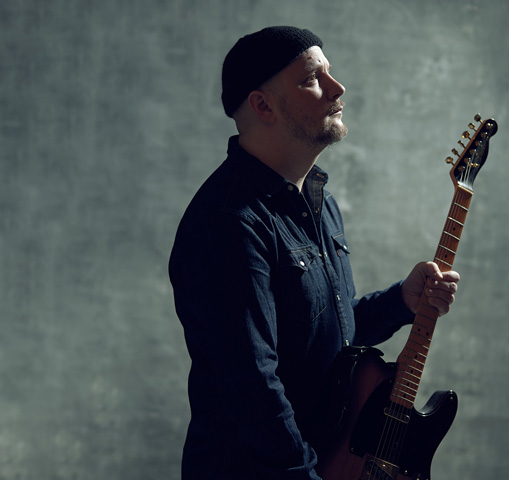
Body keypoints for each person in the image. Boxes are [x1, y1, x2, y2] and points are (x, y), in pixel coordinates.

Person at [169, 26, 460, 480]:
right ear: (263, 105)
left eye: (330, 72)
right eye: (312, 79)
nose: (337, 87)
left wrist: (401, 301)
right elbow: (253, 387)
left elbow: (320, 340)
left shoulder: (319, 203)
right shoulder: (229, 222)